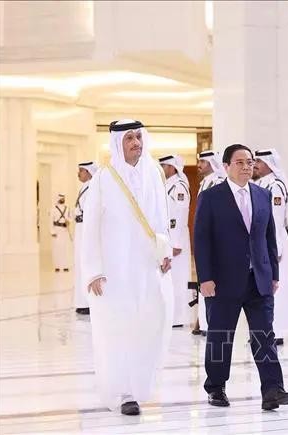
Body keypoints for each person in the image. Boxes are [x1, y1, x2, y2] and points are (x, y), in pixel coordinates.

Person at [194, 143, 288, 411]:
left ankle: (273, 389)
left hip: (258, 279)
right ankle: (216, 387)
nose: (246, 167)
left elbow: (269, 237)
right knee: (220, 335)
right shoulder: (211, 197)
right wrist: (204, 278)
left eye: (250, 162)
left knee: (265, 335)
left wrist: (273, 274)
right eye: (240, 162)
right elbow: (202, 240)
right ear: (227, 166)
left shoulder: (262, 195)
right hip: (222, 281)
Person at [81, 119, 173, 415]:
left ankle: (138, 386)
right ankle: (122, 393)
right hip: (114, 270)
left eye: (138, 137)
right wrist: (94, 269)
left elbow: (161, 219)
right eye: (129, 138)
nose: (135, 143)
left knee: (148, 325)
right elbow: (90, 227)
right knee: (116, 330)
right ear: (117, 143)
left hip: (147, 268)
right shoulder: (104, 179)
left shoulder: (155, 175)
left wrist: (166, 251)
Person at [253, 149, 288, 344]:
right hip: (262, 243)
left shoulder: (275, 186)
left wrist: (276, 249)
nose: (255, 165)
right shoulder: (260, 183)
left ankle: (277, 331)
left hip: (274, 244)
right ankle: (265, 328)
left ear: (269, 164)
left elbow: (277, 220)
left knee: (277, 288)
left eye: (259, 162)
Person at [193, 149, 228, 335]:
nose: (199, 165)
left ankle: (211, 324)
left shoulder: (218, 181)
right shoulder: (206, 182)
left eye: (203, 162)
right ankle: (205, 323)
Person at [159, 154, 192, 326]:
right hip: (167, 237)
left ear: (172, 168)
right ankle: (169, 314)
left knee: (178, 277)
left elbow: (181, 215)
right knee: (168, 277)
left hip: (176, 238)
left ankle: (178, 317)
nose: (162, 169)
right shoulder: (166, 185)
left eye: (164, 166)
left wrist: (177, 243)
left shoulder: (179, 187)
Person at [74, 161, 99, 315]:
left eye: (81, 171)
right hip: (80, 228)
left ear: (89, 172)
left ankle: (87, 302)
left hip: (86, 229)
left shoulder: (91, 188)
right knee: (79, 264)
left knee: (85, 263)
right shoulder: (85, 187)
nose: (79, 173)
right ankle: (82, 301)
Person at [50, 194, 71, 272]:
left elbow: (70, 217)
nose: (62, 199)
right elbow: (50, 221)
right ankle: (57, 266)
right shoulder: (53, 209)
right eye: (61, 198)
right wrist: (52, 231)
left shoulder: (67, 208)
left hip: (64, 230)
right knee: (57, 248)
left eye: (63, 198)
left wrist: (68, 221)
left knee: (65, 248)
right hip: (57, 230)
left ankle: (65, 266)